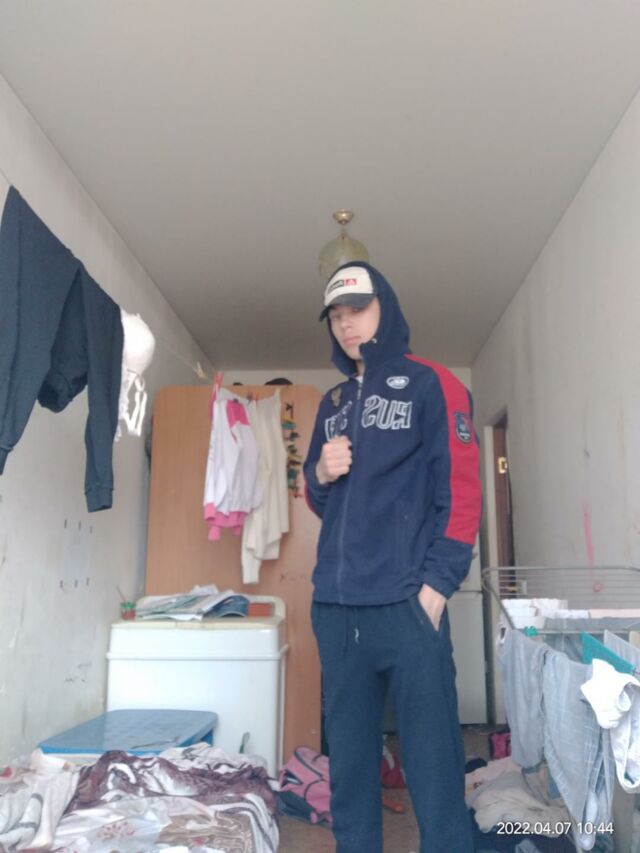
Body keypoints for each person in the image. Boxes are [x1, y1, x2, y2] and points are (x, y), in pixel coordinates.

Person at [303, 261, 482, 853]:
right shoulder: (331, 401)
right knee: (351, 771)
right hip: (337, 610)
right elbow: (319, 499)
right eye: (336, 315)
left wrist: (436, 587)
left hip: (408, 606)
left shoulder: (433, 383)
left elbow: (462, 493)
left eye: (358, 309)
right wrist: (320, 473)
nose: (346, 324)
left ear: (387, 307)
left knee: (433, 766)